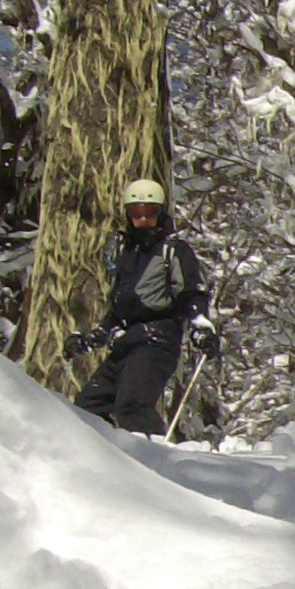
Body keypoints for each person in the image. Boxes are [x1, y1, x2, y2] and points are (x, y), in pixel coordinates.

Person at [69, 177, 215, 434]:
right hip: (126, 340)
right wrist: (95, 337)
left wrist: (200, 326)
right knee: (87, 407)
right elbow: (120, 307)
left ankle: (152, 463)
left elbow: (191, 293)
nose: (144, 219)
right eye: (137, 213)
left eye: (150, 213)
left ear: (161, 213)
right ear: (129, 215)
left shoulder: (172, 250)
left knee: (132, 406)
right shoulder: (125, 252)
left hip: (156, 340)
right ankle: (101, 461)